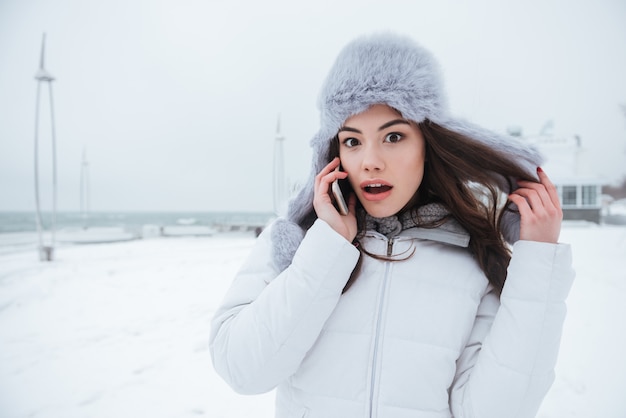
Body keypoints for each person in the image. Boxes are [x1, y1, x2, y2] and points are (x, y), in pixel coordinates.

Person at [209, 33, 575, 418]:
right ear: (333, 154)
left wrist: (537, 263)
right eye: (352, 141)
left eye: (393, 136)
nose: (370, 161)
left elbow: (497, 410)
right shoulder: (295, 243)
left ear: (427, 144)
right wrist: (326, 248)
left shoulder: (475, 257)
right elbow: (242, 370)